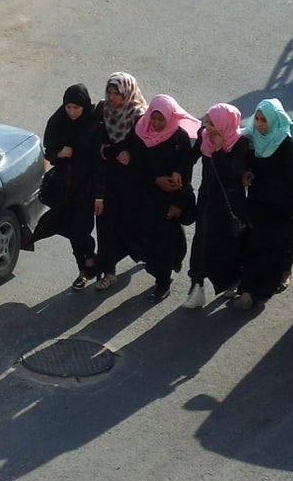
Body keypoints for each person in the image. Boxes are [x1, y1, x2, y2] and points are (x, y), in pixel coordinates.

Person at [235, 99, 293, 310]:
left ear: (274, 120)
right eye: (256, 118)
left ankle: (263, 289)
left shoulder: (284, 143)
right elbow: (245, 163)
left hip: (281, 207)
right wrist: (244, 173)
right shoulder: (252, 139)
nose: (259, 124)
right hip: (257, 203)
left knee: (275, 248)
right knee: (254, 245)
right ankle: (247, 290)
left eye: (264, 120)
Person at [33, 84, 102, 289]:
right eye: (68, 107)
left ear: (84, 106)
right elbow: (49, 151)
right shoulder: (57, 121)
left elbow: (99, 163)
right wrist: (59, 154)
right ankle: (83, 269)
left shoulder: (93, 124)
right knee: (71, 229)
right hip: (64, 188)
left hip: (86, 189)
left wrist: (99, 195)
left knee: (81, 230)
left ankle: (90, 257)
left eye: (76, 108)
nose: (72, 112)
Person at [184, 103, 251, 310]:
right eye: (207, 122)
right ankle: (197, 287)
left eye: (213, 123)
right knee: (201, 243)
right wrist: (178, 172)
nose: (208, 127)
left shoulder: (240, 143)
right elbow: (190, 158)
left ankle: (231, 281)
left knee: (228, 245)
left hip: (230, 203)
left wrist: (220, 150)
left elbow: (232, 173)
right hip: (208, 200)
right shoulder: (205, 136)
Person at [133, 94, 199, 302]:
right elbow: (137, 167)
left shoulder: (179, 138)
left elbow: (186, 170)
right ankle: (160, 273)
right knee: (149, 240)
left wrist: (178, 203)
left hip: (170, 200)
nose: (157, 123)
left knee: (165, 243)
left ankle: (162, 283)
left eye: (162, 119)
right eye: (155, 118)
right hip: (147, 198)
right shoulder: (142, 133)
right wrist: (155, 180)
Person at [91, 72, 149, 291]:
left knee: (130, 224)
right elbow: (96, 136)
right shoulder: (102, 109)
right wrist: (101, 145)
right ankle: (108, 271)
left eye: (117, 93)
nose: (113, 98)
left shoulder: (139, 115)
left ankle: (147, 255)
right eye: (110, 92)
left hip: (130, 181)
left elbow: (146, 146)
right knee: (105, 225)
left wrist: (130, 153)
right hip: (107, 178)